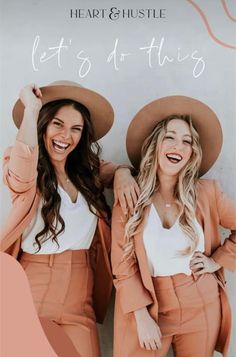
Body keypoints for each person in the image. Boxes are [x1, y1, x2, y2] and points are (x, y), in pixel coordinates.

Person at [0, 81, 139, 357]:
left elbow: (117, 170)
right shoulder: (26, 170)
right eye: (57, 124)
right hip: (33, 288)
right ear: (42, 126)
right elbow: (22, 163)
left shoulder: (87, 172)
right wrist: (32, 108)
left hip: (81, 292)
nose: (66, 135)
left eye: (76, 129)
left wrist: (123, 174)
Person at [111, 96, 236, 357]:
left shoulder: (207, 192)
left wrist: (218, 261)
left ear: (192, 153)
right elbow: (123, 267)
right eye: (170, 137)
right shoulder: (130, 196)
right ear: (156, 145)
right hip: (150, 303)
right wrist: (141, 316)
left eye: (186, 141)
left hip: (201, 302)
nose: (177, 145)